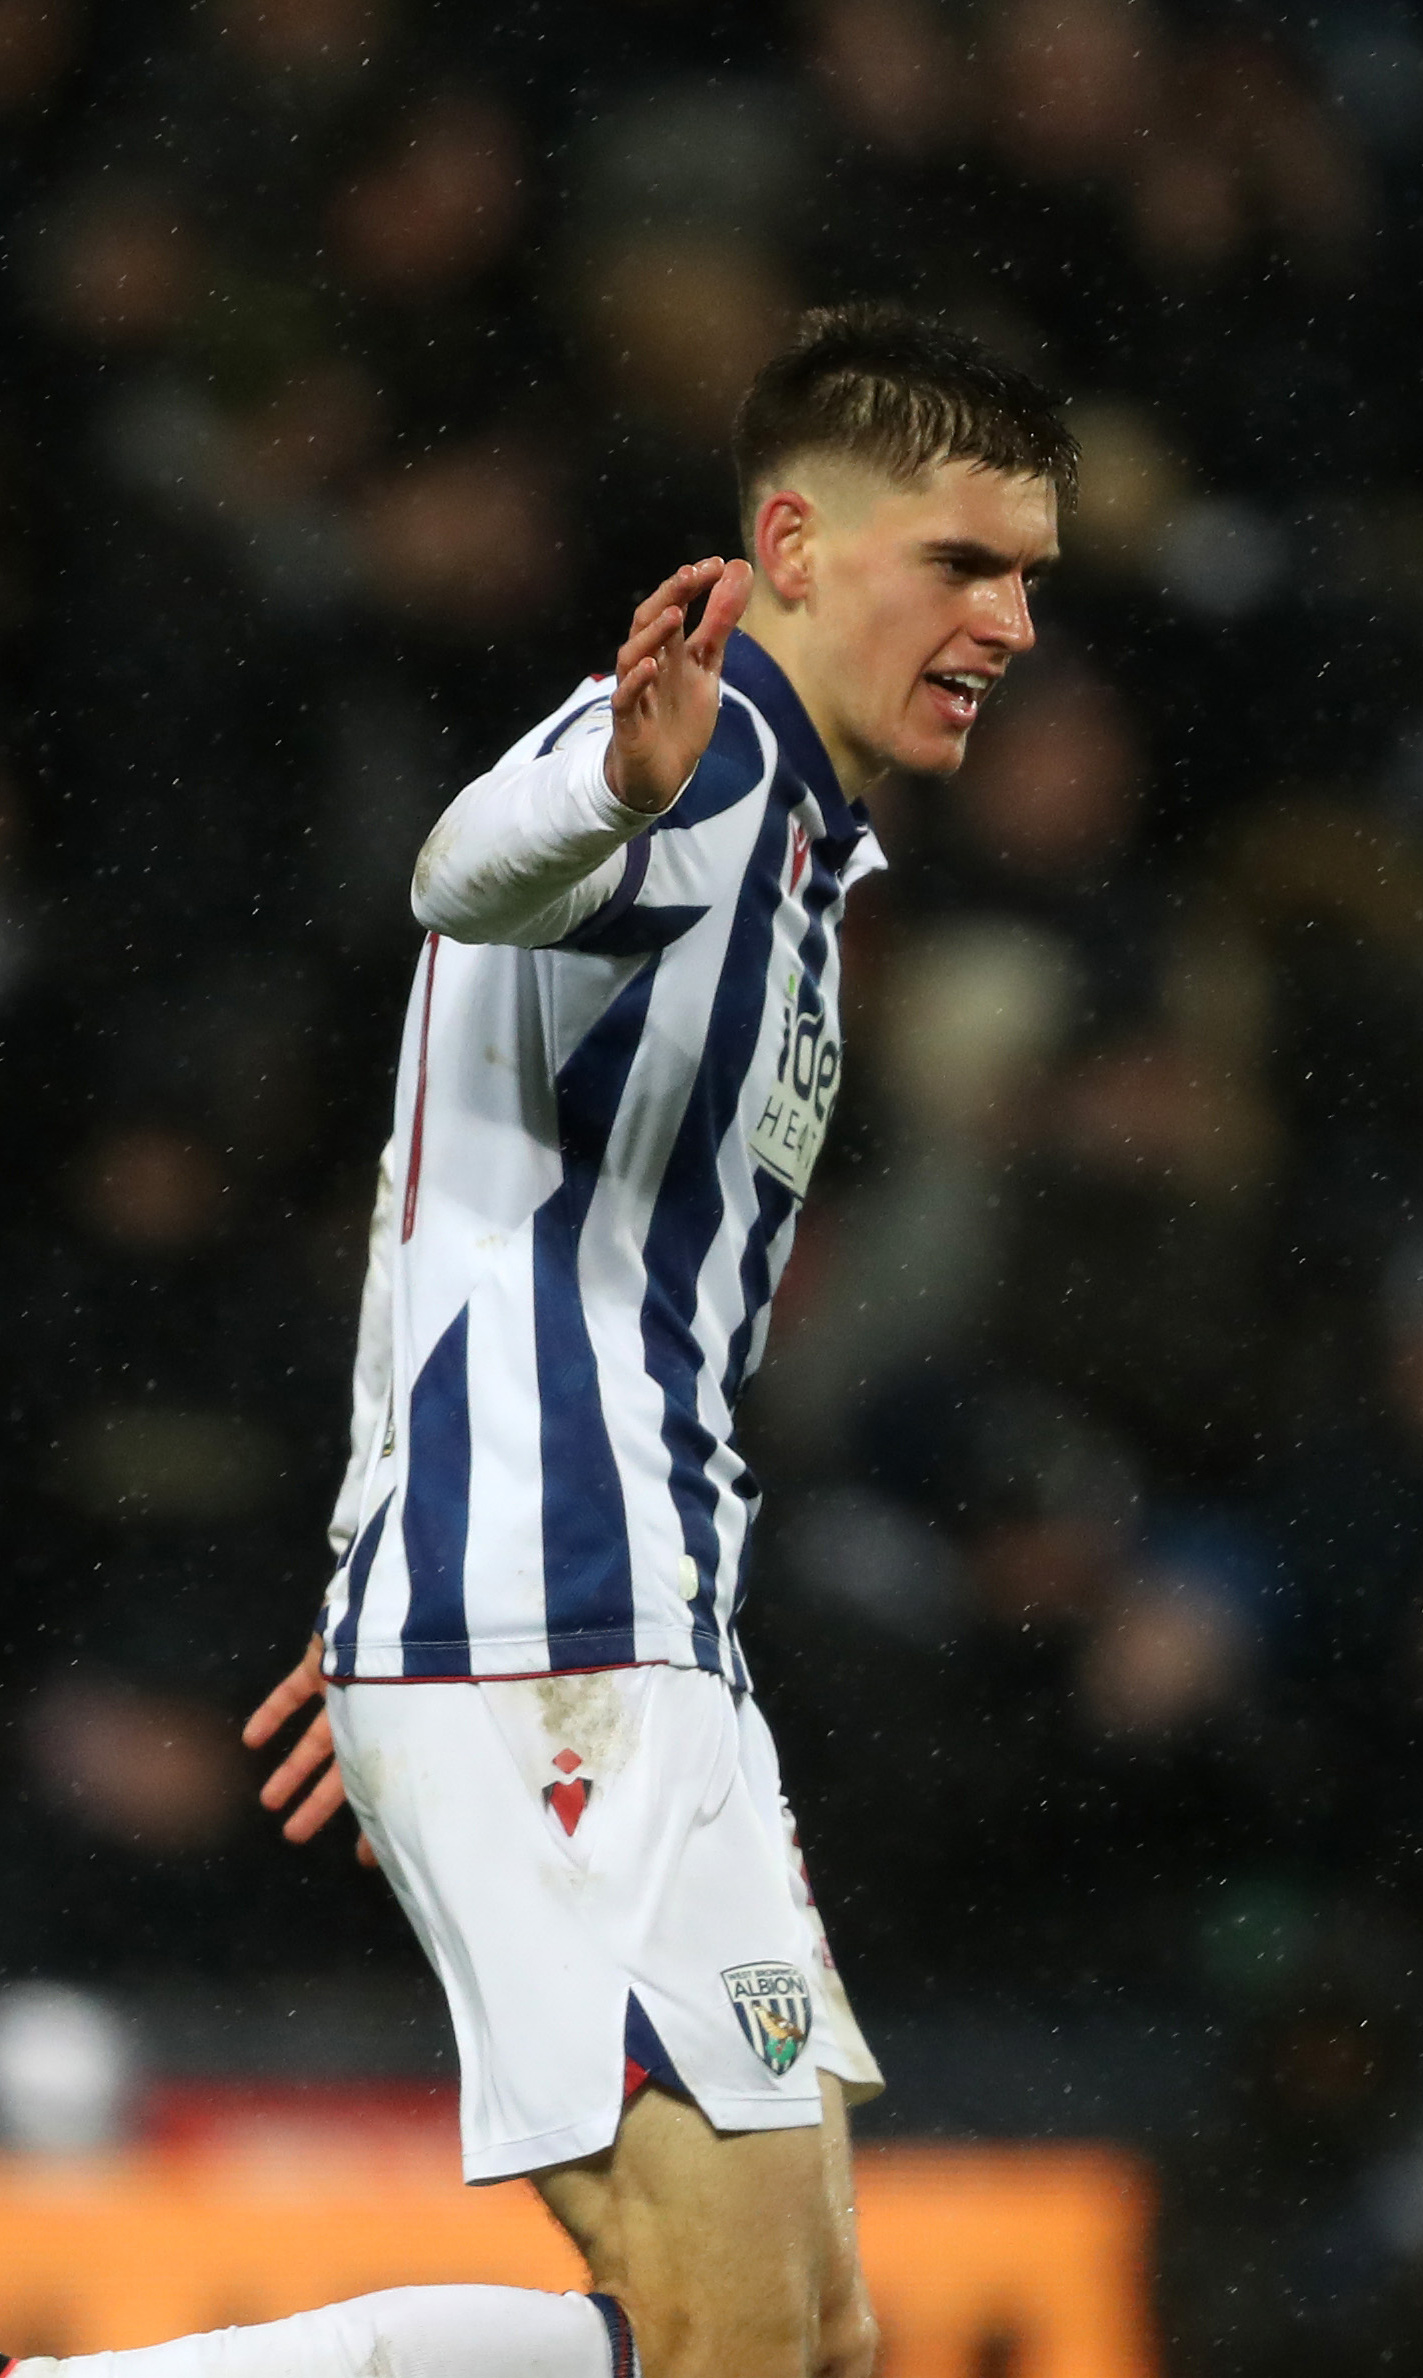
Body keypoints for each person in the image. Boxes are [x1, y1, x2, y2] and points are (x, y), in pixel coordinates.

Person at [8, 310, 1073, 2378]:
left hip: (603, 1622)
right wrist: (613, 768)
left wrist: (420, 1564)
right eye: (965, 562)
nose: (1013, 620)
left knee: (811, 2346)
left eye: (1031, 573)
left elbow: (487, 1211)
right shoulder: (695, 758)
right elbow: (465, 869)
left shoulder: (797, 850)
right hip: (565, 1629)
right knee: (735, 2335)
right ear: (792, 540)